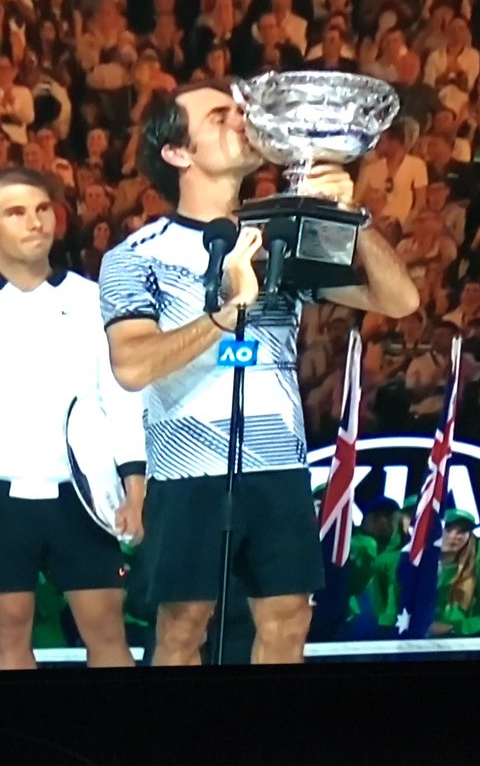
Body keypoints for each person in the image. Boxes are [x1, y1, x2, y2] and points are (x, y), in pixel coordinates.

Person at [99, 79, 418, 666]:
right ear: (178, 153)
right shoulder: (135, 255)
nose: (241, 119)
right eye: (220, 116)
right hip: (188, 466)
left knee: (289, 619)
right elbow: (132, 364)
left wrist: (356, 217)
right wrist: (227, 314)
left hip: (278, 463)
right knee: (182, 627)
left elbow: (398, 300)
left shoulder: (284, 234)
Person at [0, 168, 146, 670]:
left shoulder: (93, 301)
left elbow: (122, 396)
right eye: (16, 212)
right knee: (8, 632)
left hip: (84, 490)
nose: (35, 222)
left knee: (106, 628)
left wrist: (135, 482)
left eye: (43, 209)